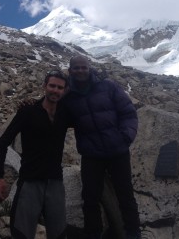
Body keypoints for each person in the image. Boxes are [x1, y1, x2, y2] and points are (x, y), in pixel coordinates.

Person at [62, 55, 141, 239]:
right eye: (77, 68)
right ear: (70, 70)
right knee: (90, 198)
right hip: (91, 154)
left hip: (117, 150)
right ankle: (93, 233)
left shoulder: (108, 86)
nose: (81, 71)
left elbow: (128, 112)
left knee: (125, 194)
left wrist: (126, 137)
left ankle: (133, 233)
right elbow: (52, 108)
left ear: (89, 68)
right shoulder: (68, 95)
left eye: (84, 67)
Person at [0, 70, 70, 239]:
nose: (55, 90)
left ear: (64, 91)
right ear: (44, 86)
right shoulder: (28, 111)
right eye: (52, 86)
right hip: (30, 181)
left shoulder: (65, 113)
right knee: (21, 232)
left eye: (59, 87)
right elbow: (4, 142)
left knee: (59, 234)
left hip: (55, 182)